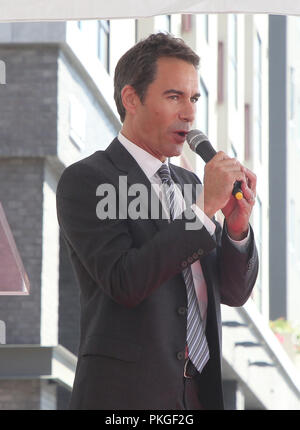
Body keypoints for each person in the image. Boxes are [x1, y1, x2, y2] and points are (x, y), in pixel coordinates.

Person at [56, 33, 258, 410]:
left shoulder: (194, 187)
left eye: (193, 98)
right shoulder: (88, 180)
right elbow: (125, 280)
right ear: (131, 99)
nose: (190, 113)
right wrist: (201, 212)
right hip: (125, 398)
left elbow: (233, 293)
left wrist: (237, 230)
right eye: (174, 96)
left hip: (199, 395)